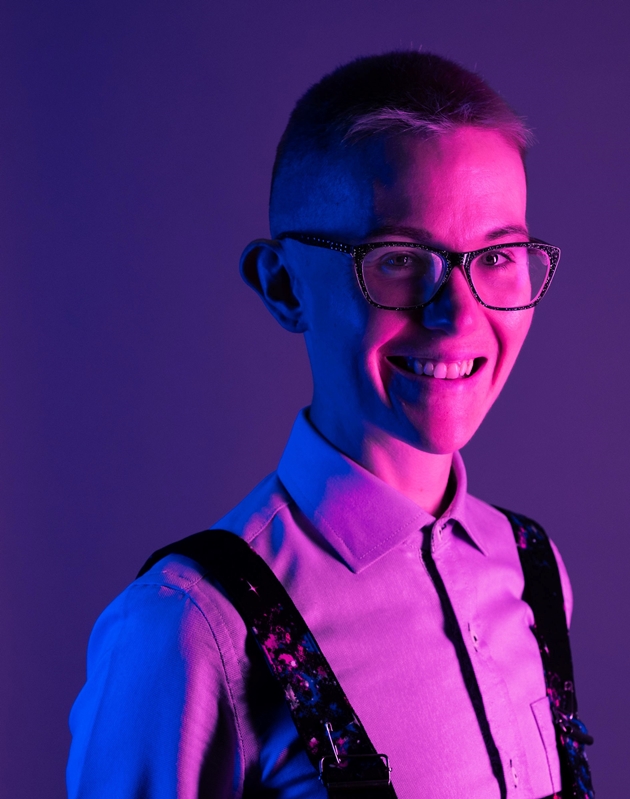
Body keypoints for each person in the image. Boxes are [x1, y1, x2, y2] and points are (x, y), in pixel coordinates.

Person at [67, 51, 589, 799]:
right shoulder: (190, 627)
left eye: (499, 255)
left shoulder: (531, 568)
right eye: (398, 259)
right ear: (284, 286)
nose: (459, 315)